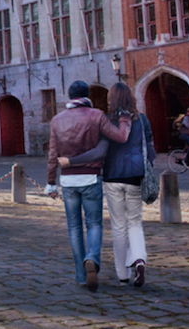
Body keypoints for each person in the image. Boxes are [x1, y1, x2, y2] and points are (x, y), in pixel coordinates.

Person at [61, 83, 155, 288]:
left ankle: (123, 274)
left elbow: (100, 149)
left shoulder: (106, 120)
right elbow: (150, 147)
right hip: (135, 175)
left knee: (119, 226)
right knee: (135, 222)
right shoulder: (142, 119)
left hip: (112, 176)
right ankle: (139, 259)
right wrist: (147, 166)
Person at [45, 81, 132, 292]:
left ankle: (81, 275)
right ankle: (92, 257)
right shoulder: (96, 116)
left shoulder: (57, 120)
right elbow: (120, 137)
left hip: (68, 181)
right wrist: (124, 120)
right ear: (87, 95)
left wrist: (50, 182)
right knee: (94, 225)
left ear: (69, 97)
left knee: (74, 228)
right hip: (91, 178)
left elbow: (53, 154)